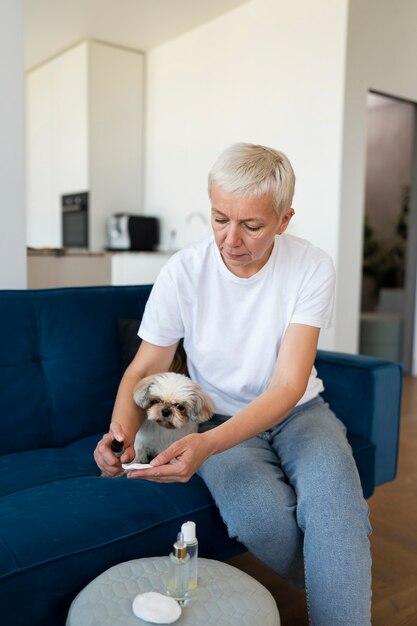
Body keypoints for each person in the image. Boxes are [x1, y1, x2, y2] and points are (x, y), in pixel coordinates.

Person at [94, 142, 372, 626]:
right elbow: (141, 370)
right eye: (219, 218)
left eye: (251, 225)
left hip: (299, 412)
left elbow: (288, 387)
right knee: (258, 517)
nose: (230, 239)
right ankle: (342, 587)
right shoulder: (183, 271)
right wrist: (119, 435)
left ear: (284, 220)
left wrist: (204, 447)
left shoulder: (311, 266)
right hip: (216, 416)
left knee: (335, 510)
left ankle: (343, 597)